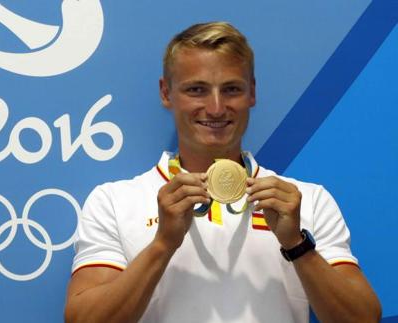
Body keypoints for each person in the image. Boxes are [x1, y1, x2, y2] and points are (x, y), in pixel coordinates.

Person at [64, 22, 381, 323]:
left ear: (252, 93)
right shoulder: (114, 202)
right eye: (197, 90)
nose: (216, 108)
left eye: (231, 89)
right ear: (166, 93)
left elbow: (363, 318)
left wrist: (296, 244)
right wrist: (162, 244)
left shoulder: (306, 201)